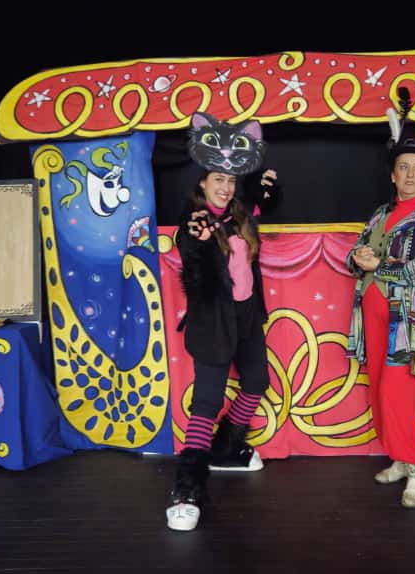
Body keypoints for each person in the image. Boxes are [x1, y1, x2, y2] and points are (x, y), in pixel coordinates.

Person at [166, 112, 282, 531]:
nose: (225, 186)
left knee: (256, 382)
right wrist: (198, 243)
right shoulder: (194, 224)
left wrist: (267, 188)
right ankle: (186, 490)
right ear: (202, 182)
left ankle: (226, 449)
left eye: (231, 180)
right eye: (218, 179)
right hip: (213, 322)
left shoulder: (239, 216)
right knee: (207, 403)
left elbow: (260, 208)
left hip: (247, 316)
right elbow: (194, 275)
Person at [345, 90, 415, 508]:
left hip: (410, 321)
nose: (410, 174)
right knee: (378, 390)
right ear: (393, 175)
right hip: (372, 316)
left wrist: (380, 265)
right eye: (403, 167)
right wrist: (358, 258)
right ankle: (399, 457)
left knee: (399, 392)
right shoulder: (379, 214)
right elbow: (355, 256)